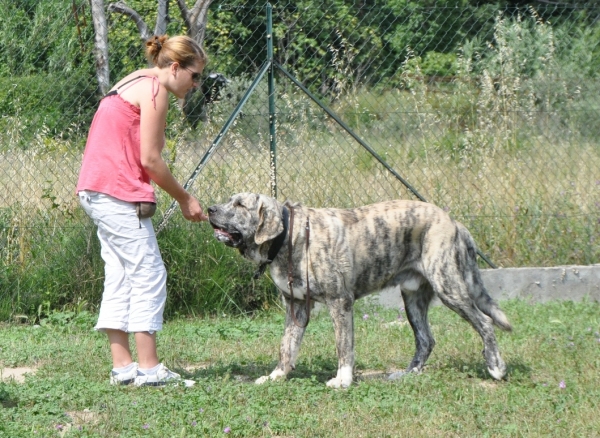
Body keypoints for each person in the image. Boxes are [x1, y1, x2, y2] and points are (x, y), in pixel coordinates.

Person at [76, 35, 208, 386]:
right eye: (195, 76)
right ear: (175, 67)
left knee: (120, 273)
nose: (196, 84)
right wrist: (185, 199)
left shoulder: (135, 79)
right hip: (116, 194)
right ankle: (150, 370)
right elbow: (150, 160)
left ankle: (123, 369)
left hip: (95, 190)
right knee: (149, 273)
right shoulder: (155, 91)